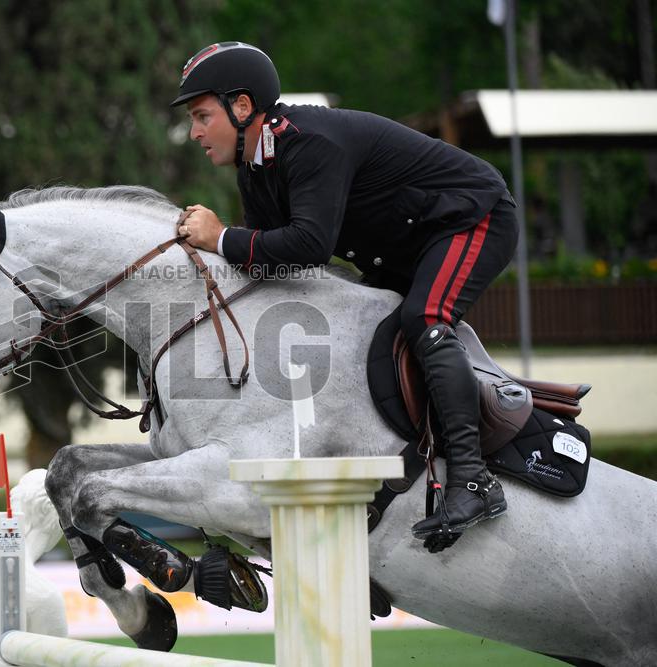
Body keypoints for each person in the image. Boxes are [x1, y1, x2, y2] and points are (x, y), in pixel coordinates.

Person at [171, 41, 517, 549]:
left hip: (472, 217)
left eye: (202, 116)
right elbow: (272, 264)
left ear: (242, 107)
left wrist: (221, 238)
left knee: (424, 319)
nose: (195, 132)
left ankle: (473, 480)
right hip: (412, 242)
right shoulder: (255, 165)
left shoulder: (310, 143)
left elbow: (309, 245)